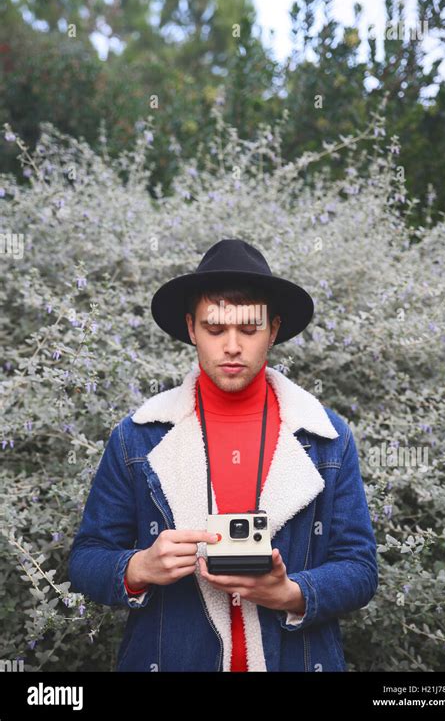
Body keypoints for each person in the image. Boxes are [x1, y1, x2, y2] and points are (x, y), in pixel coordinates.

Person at [68, 238, 378, 672]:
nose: (232, 346)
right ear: (192, 328)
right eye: (215, 329)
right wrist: (138, 566)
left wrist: (291, 592)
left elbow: (360, 568)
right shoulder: (138, 436)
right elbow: (86, 558)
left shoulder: (327, 437)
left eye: (248, 330)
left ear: (272, 330)